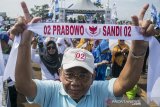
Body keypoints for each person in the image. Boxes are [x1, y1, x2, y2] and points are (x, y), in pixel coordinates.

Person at [13, 2, 156, 107]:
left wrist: (138, 50)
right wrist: (24, 44)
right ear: (60, 73)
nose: (76, 82)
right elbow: (23, 86)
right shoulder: (51, 90)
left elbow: (124, 84)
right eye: (69, 74)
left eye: (83, 75)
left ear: (93, 76)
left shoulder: (98, 91)